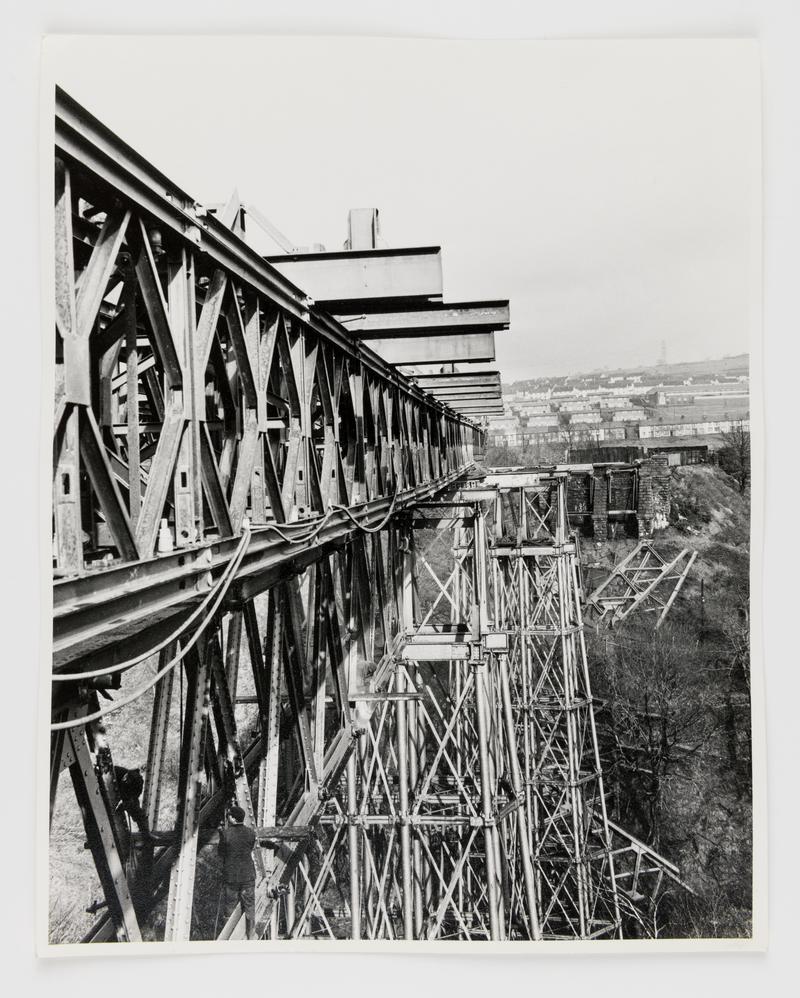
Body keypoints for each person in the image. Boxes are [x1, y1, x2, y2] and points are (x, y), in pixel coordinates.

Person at [218, 804, 257, 940]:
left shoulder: (226, 834)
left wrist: (221, 834)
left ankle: (230, 936)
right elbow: (250, 847)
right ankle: (251, 935)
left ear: (233, 818)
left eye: (229, 815)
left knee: (230, 906)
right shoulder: (251, 833)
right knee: (250, 906)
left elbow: (221, 853)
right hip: (248, 875)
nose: (227, 817)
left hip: (231, 876)